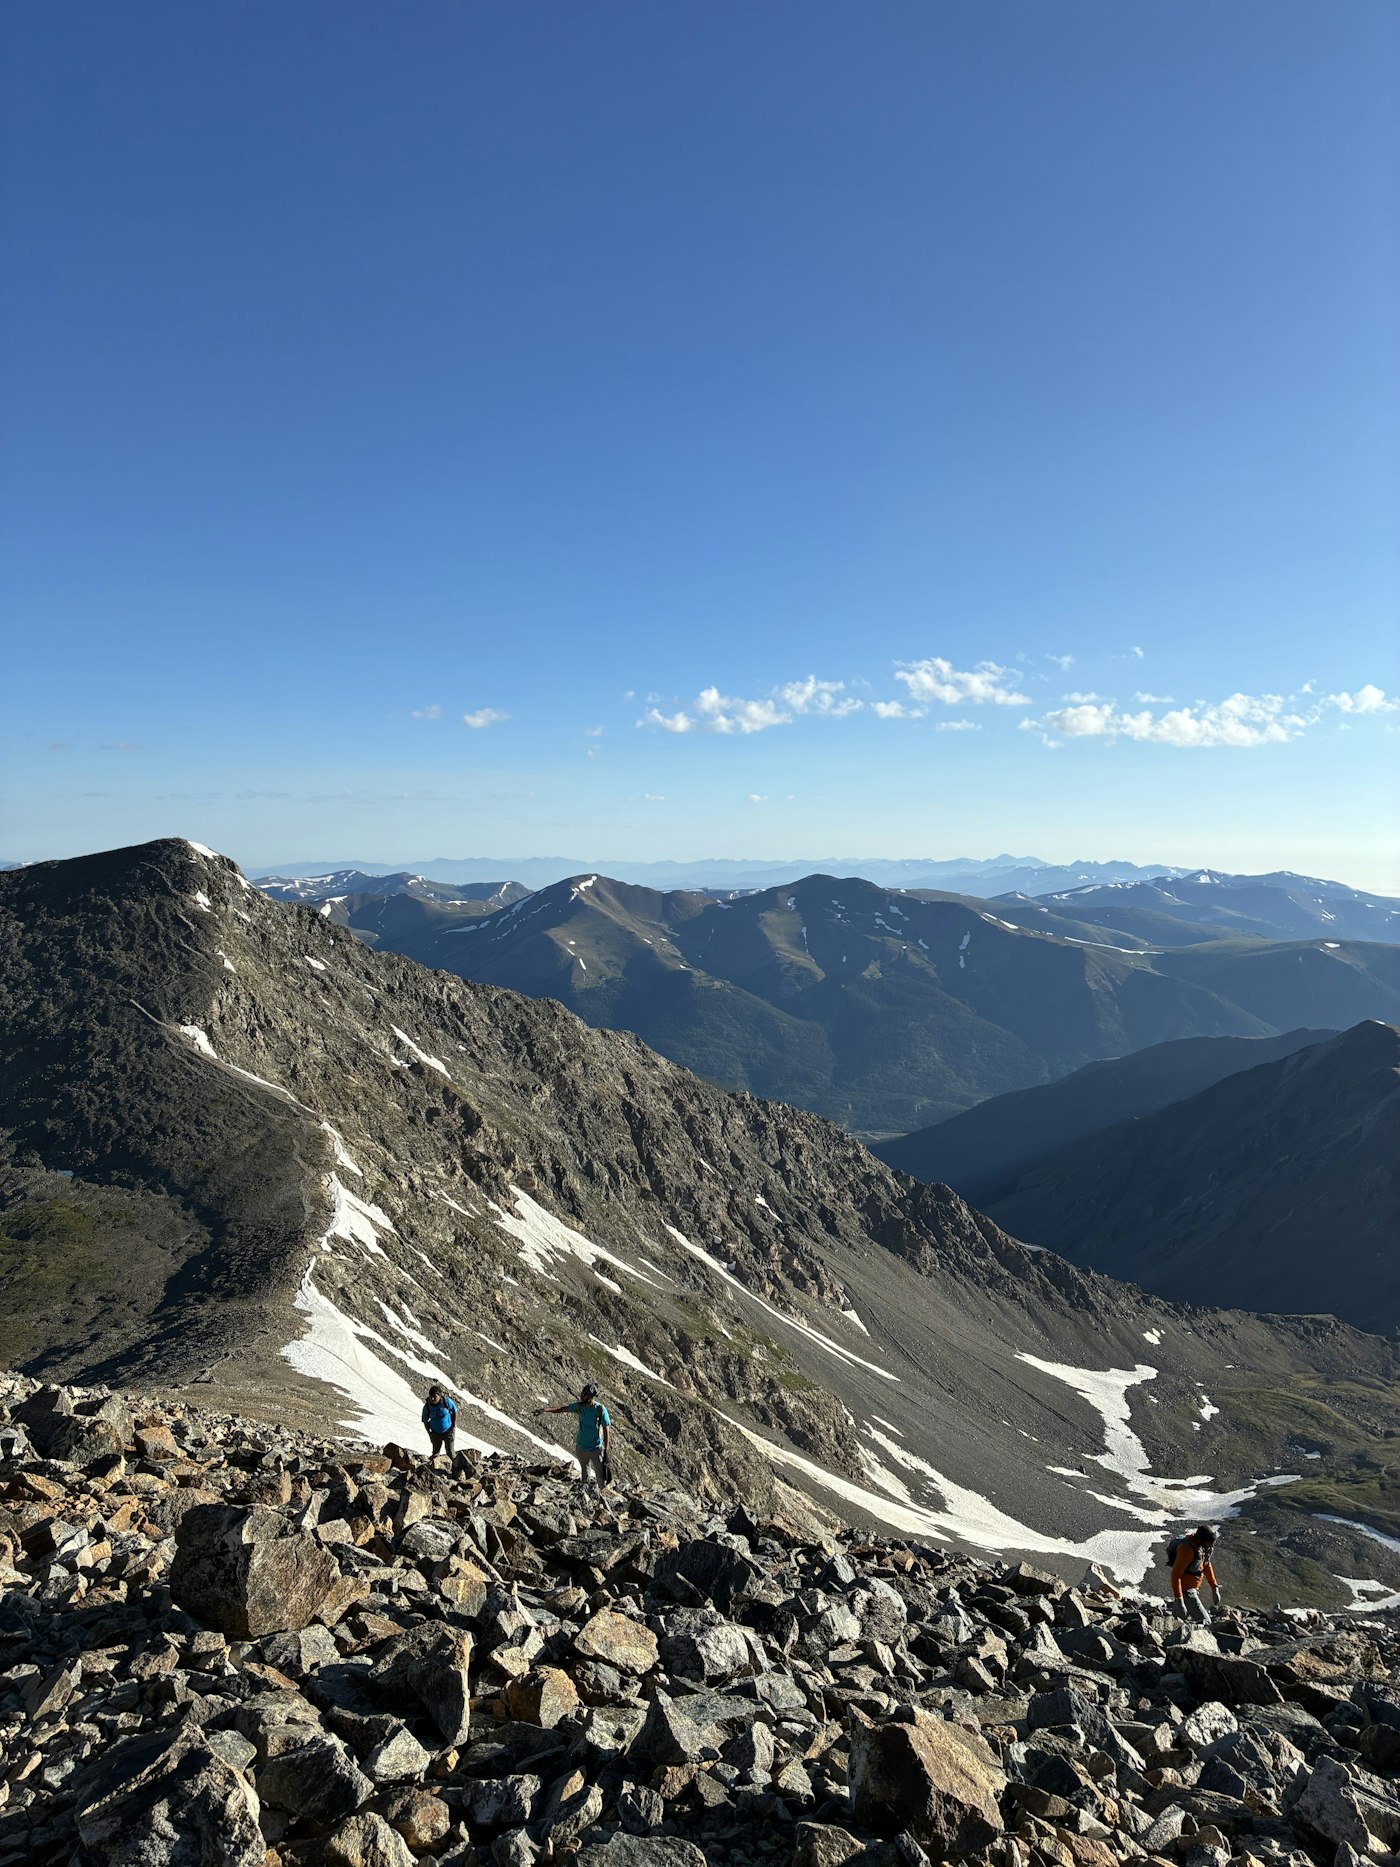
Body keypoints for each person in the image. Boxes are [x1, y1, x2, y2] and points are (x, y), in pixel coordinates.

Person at [540, 1381, 611, 1485]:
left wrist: (606, 1450)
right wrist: (545, 1410)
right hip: (581, 1447)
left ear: (590, 1397)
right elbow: (562, 1409)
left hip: (595, 1448)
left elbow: (606, 1430)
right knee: (585, 1475)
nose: (582, 1397)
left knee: (601, 1476)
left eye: (584, 1395)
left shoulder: (600, 1410)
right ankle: (586, 1495)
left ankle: (601, 1495)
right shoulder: (580, 1407)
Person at [1171, 1524, 1222, 1623]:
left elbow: (1206, 1565)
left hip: (1192, 1590)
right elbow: (1175, 1575)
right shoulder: (1187, 1550)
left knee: (1179, 1620)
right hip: (1186, 1592)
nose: (1212, 1545)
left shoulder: (1201, 1548)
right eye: (1210, 1542)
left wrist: (1214, 1588)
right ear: (1201, 1540)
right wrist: (1179, 1600)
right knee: (1206, 1622)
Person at [422, 1384, 458, 1464]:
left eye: (434, 1396)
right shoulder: (427, 1407)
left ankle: (456, 1468)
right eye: (431, 1396)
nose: (432, 1399)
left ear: (439, 1396)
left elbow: (454, 1411)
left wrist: (454, 1425)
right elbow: (425, 1420)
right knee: (435, 1453)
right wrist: (429, 1432)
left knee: (450, 1452)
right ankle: (433, 1470)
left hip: (448, 1430)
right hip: (435, 1433)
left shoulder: (446, 1402)